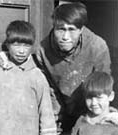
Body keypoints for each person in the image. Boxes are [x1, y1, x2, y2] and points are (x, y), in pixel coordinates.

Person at [33, 2, 111, 134]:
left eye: (71, 29)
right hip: (60, 112)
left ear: (81, 30)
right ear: (54, 26)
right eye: (61, 29)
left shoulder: (97, 46)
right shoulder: (42, 51)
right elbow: (49, 90)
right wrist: (53, 121)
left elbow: (102, 88)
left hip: (90, 110)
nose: (65, 37)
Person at [0, 20, 57, 135]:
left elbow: (46, 114)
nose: (21, 51)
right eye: (16, 45)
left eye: (26, 45)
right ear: (7, 45)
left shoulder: (37, 76)